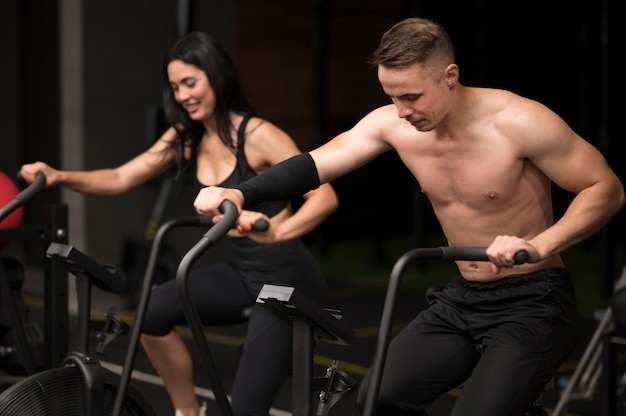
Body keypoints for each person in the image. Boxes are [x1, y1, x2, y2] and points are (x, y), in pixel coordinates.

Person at [192, 17, 625, 416]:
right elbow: (317, 163)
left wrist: (540, 245)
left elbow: (606, 188)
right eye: (392, 97)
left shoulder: (518, 122)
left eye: (411, 96)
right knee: (379, 398)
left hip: (534, 300)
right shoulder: (395, 125)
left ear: (450, 76)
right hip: (464, 298)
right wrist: (240, 190)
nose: (401, 111)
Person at [20, 32, 338, 416]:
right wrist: (58, 176)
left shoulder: (258, 135)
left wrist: (280, 232)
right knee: (152, 312)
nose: (183, 95)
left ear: (216, 76)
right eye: (175, 87)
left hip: (286, 281)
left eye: (191, 82)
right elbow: (122, 178)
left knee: (246, 409)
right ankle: (188, 411)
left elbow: (325, 196)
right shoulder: (187, 137)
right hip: (244, 272)